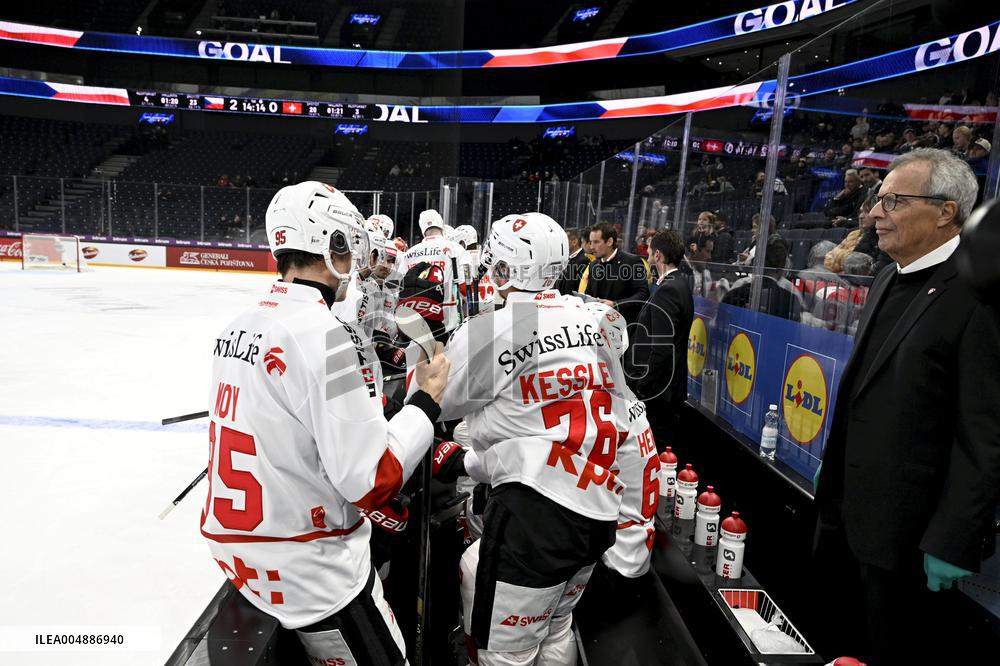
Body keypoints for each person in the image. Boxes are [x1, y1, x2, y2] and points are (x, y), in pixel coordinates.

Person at [201, 181, 451, 666]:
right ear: (331, 245)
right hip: (309, 568)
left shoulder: (235, 327)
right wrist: (425, 401)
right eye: (347, 244)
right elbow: (370, 480)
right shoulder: (330, 336)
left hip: (240, 556)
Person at [412, 212, 631, 666]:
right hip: (599, 500)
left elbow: (443, 402)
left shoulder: (493, 331)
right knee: (556, 628)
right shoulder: (599, 316)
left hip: (537, 513)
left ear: (504, 268)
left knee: (504, 651)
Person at [814, 149, 1000, 665]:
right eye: (877, 200)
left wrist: (953, 539)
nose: (875, 213)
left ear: (946, 212)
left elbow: (986, 435)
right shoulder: (886, 277)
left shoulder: (981, 295)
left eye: (893, 200)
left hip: (910, 548)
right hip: (846, 520)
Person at [627, 230, 693, 451]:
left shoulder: (669, 290)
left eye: (649, 249)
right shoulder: (677, 284)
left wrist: (643, 386)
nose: (645, 252)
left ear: (657, 255)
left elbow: (662, 347)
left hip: (659, 392)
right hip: (665, 389)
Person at [396, 209, 473, 334]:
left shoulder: (409, 254)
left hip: (414, 323)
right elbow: (466, 288)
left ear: (422, 229)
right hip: (447, 324)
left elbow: (398, 289)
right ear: (442, 226)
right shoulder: (455, 249)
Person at [581, 222, 650, 324]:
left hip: (624, 327)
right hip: (598, 326)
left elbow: (643, 294)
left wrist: (615, 304)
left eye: (596, 242)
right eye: (591, 242)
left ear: (609, 241)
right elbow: (589, 293)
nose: (591, 247)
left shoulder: (632, 262)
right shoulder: (593, 266)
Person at [555, 227, 591, 295]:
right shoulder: (566, 259)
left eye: (564, 241)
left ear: (574, 242)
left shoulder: (584, 260)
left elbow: (578, 288)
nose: (561, 244)